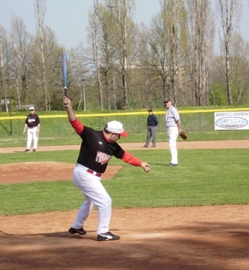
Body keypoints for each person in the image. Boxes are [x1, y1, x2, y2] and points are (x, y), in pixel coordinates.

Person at [63, 96, 151, 241]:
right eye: (119, 135)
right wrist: (69, 107)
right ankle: (103, 232)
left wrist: (140, 163)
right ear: (112, 133)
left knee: (90, 201)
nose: (120, 137)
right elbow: (74, 122)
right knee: (105, 201)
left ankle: (77, 226)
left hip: (91, 176)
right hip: (84, 173)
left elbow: (125, 156)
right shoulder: (91, 135)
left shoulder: (113, 145)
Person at [164, 98, 183, 166]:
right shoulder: (168, 110)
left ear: (170, 102)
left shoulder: (173, 109)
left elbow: (178, 120)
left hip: (173, 128)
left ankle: (174, 162)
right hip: (170, 129)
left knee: (172, 145)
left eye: (167, 102)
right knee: (171, 145)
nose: (166, 103)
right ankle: (173, 161)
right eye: (165, 102)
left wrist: (179, 129)